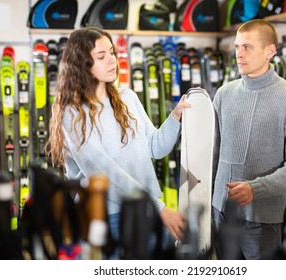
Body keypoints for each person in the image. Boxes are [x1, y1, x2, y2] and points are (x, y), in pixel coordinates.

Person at [46, 27, 190, 252]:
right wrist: (158, 208)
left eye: (112, 53)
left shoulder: (128, 98)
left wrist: (176, 116)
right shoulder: (72, 113)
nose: (112, 61)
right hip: (104, 215)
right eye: (101, 57)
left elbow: (155, 147)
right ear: (82, 64)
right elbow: (102, 171)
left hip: (145, 209)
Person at [211, 19, 286, 260]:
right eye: (236, 47)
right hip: (221, 213)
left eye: (247, 47)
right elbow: (214, 154)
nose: (239, 54)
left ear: (270, 51)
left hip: (262, 220)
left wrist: (255, 189)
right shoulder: (224, 93)